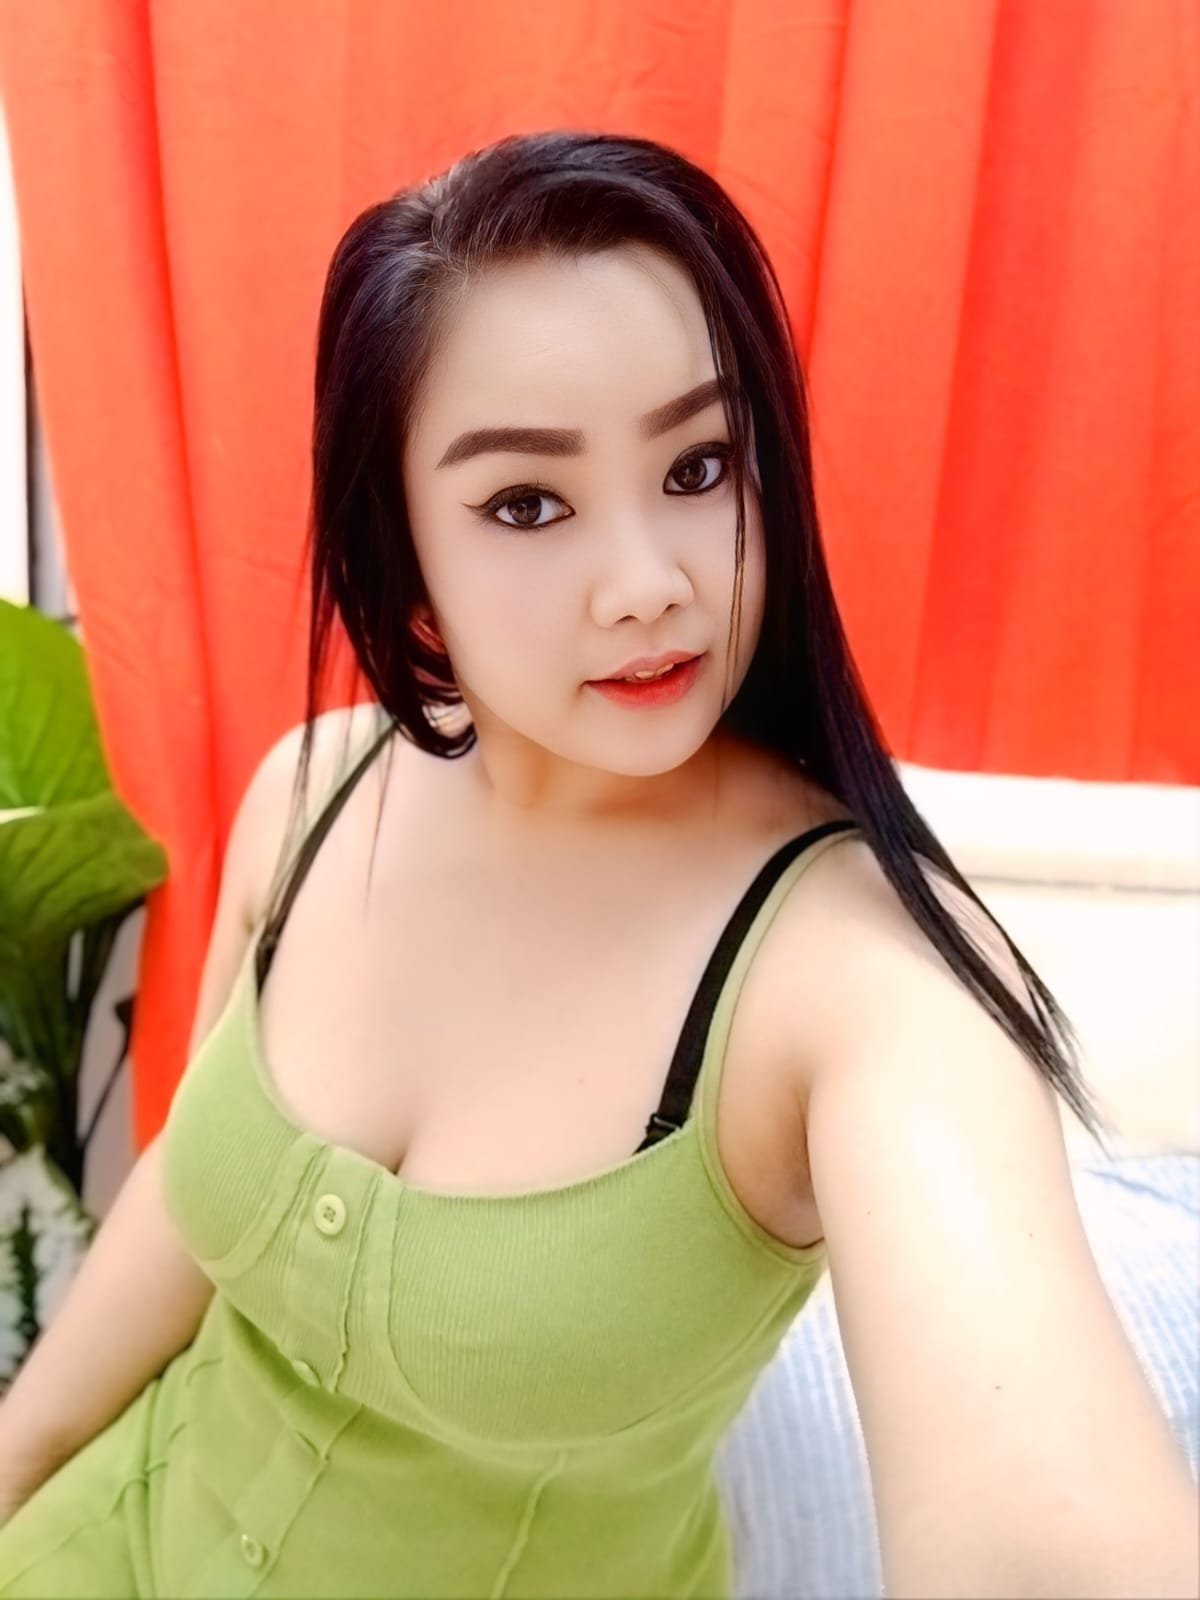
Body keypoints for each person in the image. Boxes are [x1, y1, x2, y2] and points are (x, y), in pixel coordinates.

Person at [1, 129, 1193, 1600]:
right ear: (406, 555)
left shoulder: (855, 977)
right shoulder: (314, 793)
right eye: (526, 503)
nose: (648, 583)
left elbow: (1043, 1532)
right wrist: (14, 1469)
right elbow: (190, 1195)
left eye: (699, 466)